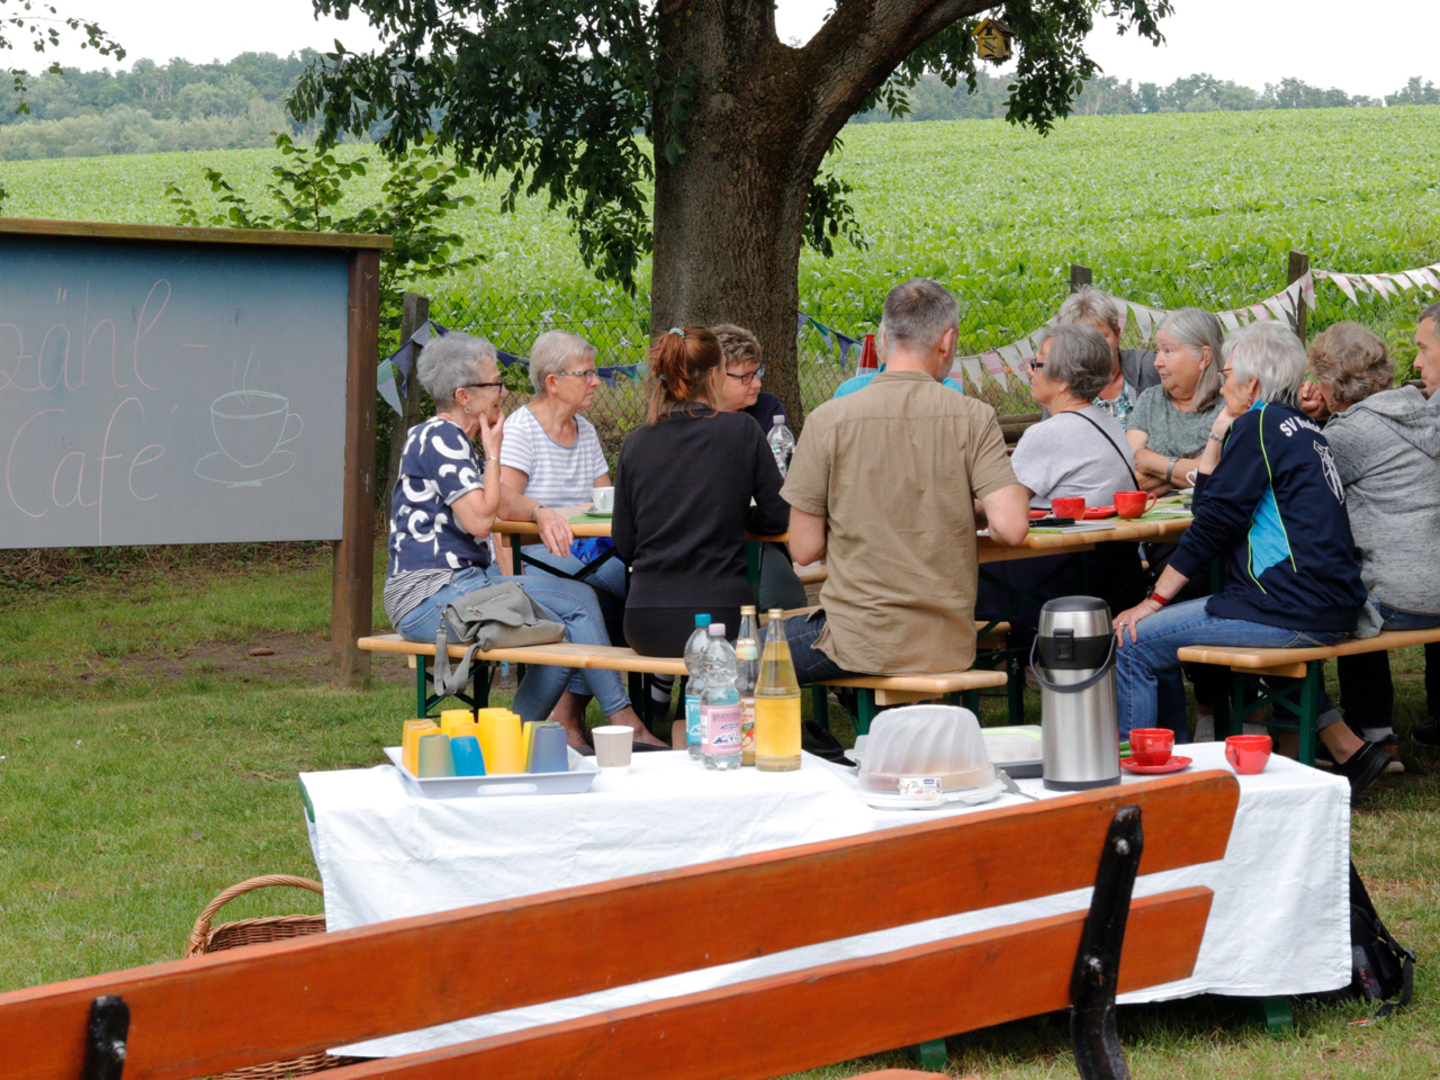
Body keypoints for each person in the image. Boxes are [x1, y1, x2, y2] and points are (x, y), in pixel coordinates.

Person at [1109, 320, 1388, 793]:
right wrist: (1218, 432)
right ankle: (1347, 751)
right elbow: (1211, 503)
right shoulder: (1301, 428)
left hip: (1289, 607)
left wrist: (1153, 600)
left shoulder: (1259, 426)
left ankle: (1143, 781)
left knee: (1133, 642)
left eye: (1227, 372)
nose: (1220, 382)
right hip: (1332, 602)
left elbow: (1211, 526)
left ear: (1252, 383)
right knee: (1176, 629)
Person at [384, 331, 664, 748]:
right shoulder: (438, 437)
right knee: (578, 605)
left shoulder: (460, 442)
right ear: (463, 396)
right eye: (495, 383)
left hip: (467, 587)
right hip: (430, 596)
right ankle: (625, 724)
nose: (504, 390)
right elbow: (482, 520)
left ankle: (507, 737)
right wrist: (495, 453)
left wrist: (536, 509)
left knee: (563, 628)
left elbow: (501, 505)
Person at [777, 278, 1031, 682]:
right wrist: (965, 508)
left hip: (856, 639)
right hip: (947, 642)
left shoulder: (828, 419)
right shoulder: (974, 416)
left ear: (881, 338)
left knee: (727, 661)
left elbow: (805, 550)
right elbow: (1012, 526)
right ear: (947, 342)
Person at [612, 327, 790, 659]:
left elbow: (625, 540)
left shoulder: (635, 442)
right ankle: (685, 710)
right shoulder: (742, 431)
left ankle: (673, 709)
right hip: (722, 618)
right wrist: (738, 516)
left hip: (645, 621)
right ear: (714, 375)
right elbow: (778, 515)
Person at [1309, 321, 1440, 762]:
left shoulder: (1349, 436)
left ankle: (1373, 732)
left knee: (1343, 592)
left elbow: (1302, 496)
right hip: (1435, 590)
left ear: (1328, 383)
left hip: (1401, 602)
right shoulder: (1423, 409)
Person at [975, 324, 1148, 649]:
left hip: (1058, 585)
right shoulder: (1108, 422)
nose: (1029, 370)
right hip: (1114, 575)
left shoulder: (1048, 434)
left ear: (1064, 380)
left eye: (1037, 364)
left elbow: (997, 508)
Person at [498, 329, 625, 602]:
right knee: (615, 580)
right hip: (536, 550)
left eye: (596, 372)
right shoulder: (521, 430)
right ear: (553, 382)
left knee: (631, 575)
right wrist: (515, 593)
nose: (597, 382)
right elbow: (503, 509)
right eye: (585, 374)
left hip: (582, 546)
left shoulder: (586, 431)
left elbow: (607, 505)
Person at [710, 322, 809, 612]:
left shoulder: (767, 410)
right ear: (714, 377)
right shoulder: (691, 420)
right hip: (709, 543)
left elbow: (783, 485)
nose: (757, 383)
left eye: (758, 373)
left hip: (760, 535)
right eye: (745, 377)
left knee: (783, 602)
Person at [1124, 308, 1226, 494]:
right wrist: (1189, 469)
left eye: (1168, 351)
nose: (1157, 362)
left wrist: (1153, 462)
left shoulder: (1228, 405)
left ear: (1204, 357)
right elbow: (1128, 478)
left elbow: (1219, 477)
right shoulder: (1150, 400)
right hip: (1150, 520)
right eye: (1158, 350)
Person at [1054, 285, 1160, 426]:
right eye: (1082, 341)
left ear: (1117, 336)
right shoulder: (1061, 387)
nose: (1093, 347)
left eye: (1100, 337)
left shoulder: (1152, 366)